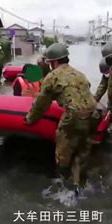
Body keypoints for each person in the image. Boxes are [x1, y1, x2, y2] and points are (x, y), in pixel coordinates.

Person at [24, 43, 97, 192]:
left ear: (53, 62)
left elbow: (41, 104)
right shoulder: (79, 74)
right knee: (82, 151)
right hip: (93, 115)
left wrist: (30, 119)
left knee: (62, 154)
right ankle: (82, 181)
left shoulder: (52, 77)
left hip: (73, 117)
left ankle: (68, 188)